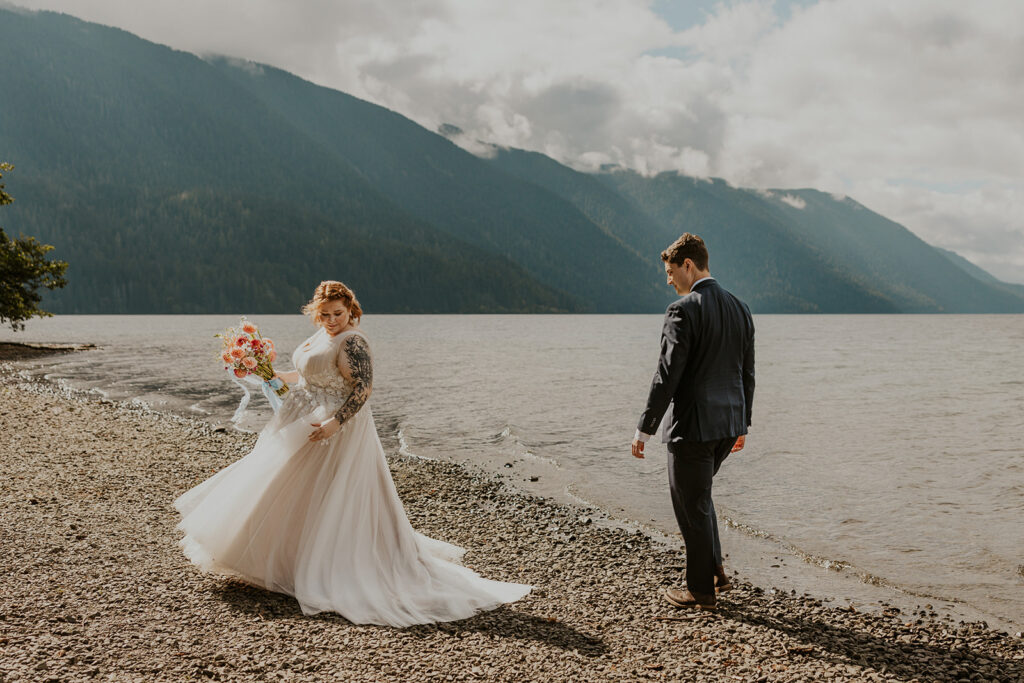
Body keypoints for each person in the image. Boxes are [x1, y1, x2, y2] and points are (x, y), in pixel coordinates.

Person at [175, 280, 530, 626]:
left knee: (329, 493)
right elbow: (308, 374)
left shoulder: (353, 342)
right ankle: (287, 559)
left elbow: (363, 389)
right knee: (293, 490)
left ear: (351, 310)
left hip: (336, 427)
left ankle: (332, 565)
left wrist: (335, 423)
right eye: (326, 314)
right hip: (306, 417)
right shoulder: (322, 336)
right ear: (316, 313)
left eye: (338, 313)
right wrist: (269, 373)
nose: (332, 320)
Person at [631, 234, 755, 611]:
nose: (669, 281)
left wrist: (644, 427)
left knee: (690, 504)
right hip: (726, 426)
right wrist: (742, 424)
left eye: (671, 272)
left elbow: (666, 375)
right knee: (700, 498)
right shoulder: (740, 308)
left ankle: (699, 589)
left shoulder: (682, 310)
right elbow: (747, 374)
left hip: (693, 428)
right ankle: (714, 569)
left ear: (688, 265)